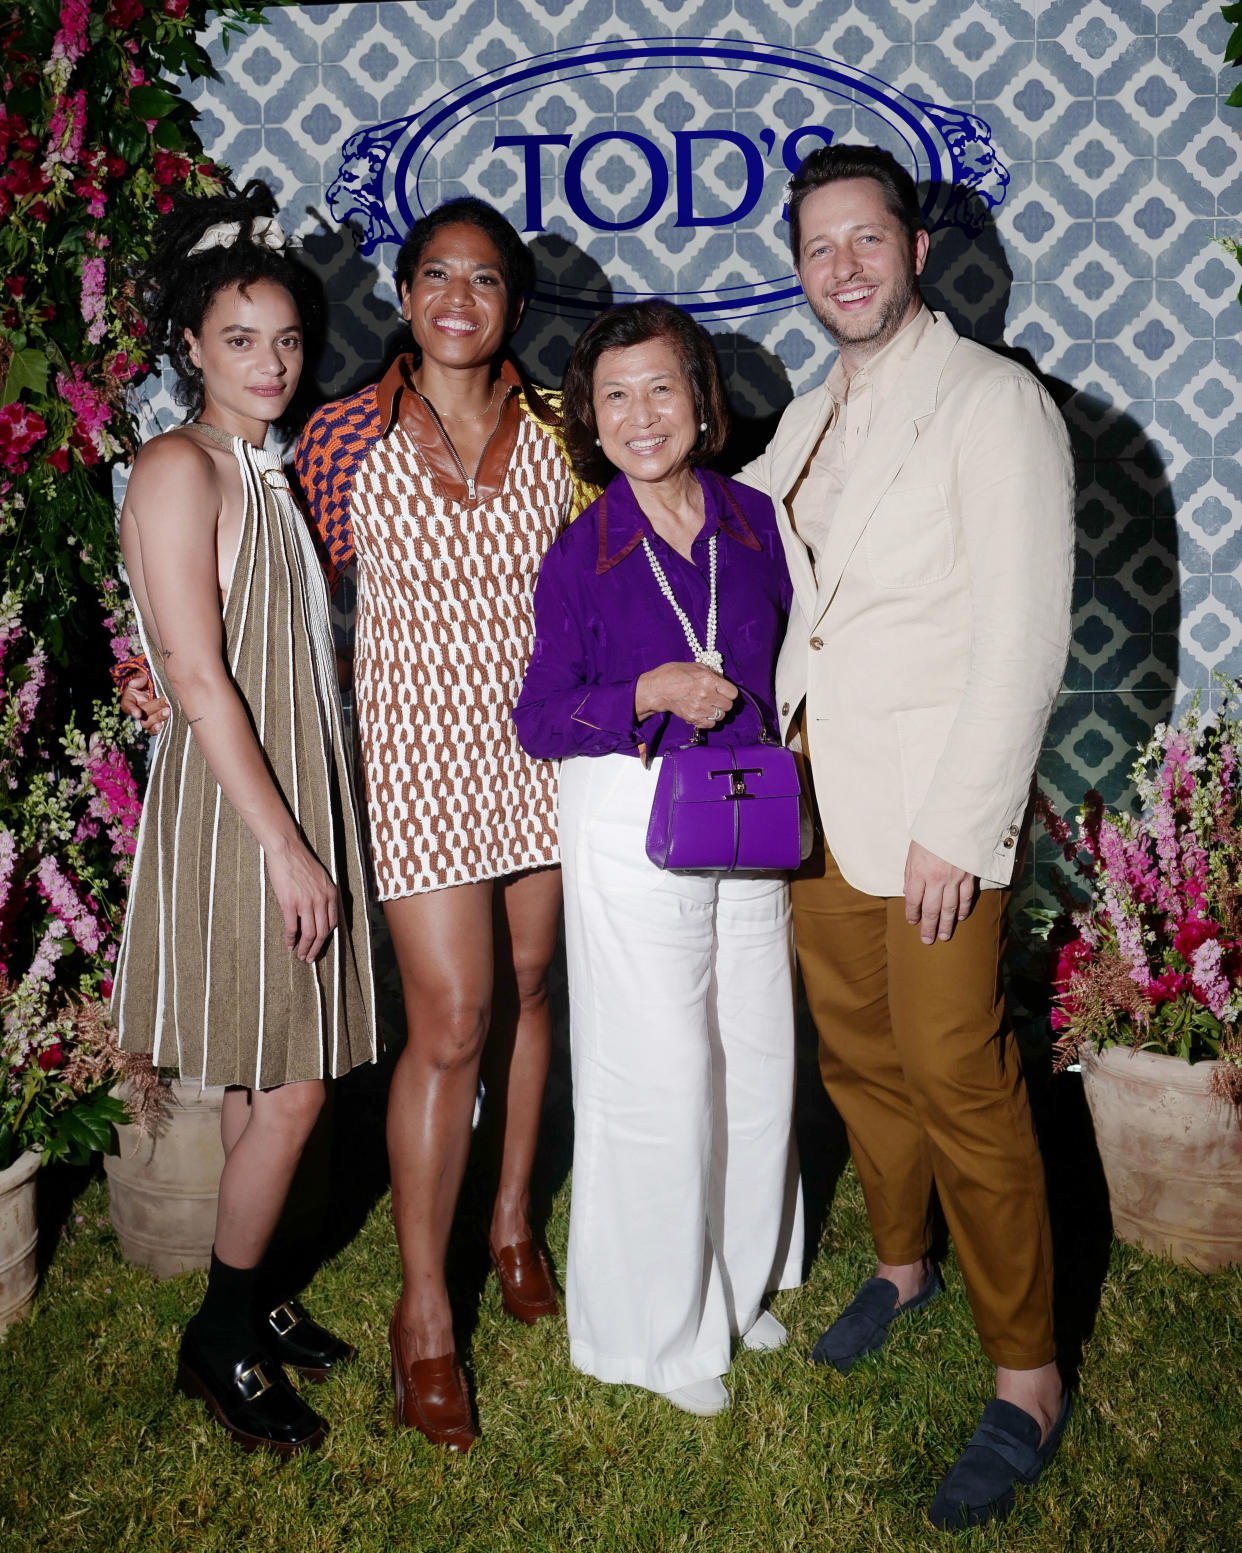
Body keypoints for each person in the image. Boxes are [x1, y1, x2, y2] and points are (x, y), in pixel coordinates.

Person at [738, 143, 1075, 1527]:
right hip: (816, 800)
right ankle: (898, 1261)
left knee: (958, 1071)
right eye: (818, 249)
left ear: (914, 248)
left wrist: (963, 820)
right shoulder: (807, 419)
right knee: (860, 1053)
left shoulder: (992, 403)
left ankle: (1028, 1377)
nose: (842, 268)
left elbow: (1021, 633)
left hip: (934, 811)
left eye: (864, 239)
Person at [294, 198, 592, 1451]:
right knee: (456, 1015)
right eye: (436, 274)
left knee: (530, 985)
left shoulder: (559, 430)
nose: (459, 296)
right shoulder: (343, 435)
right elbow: (283, 587)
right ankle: (428, 1310)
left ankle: (513, 1214)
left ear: (514, 307)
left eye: (484, 278)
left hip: (539, 751)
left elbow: (610, 567)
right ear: (406, 295)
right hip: (414, 757)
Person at [111, 182, 377, 1457]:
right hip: (238, 810)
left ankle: (255, 1292)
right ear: (190, 350)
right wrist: (285, 844)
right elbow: (196, 671)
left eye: (286, 341)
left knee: (270, 1067)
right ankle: (220, 1329)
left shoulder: (259, 468)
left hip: (286, 788)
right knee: (296, 1085)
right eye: (239, 342)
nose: (270, 365)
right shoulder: (178, 464)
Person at [513, 300, 804, 1417]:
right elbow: (539, 716)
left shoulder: (756, 519)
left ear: (701, 397)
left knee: (754, 1050)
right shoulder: (583, 550)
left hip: (749, 806)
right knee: (662, 1070)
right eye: (614, 396)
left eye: (662, 389)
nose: (642, 416)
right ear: (590, 417)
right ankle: (652, 1328)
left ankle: (731, 1281)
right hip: (633, 816)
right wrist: (646, 690)